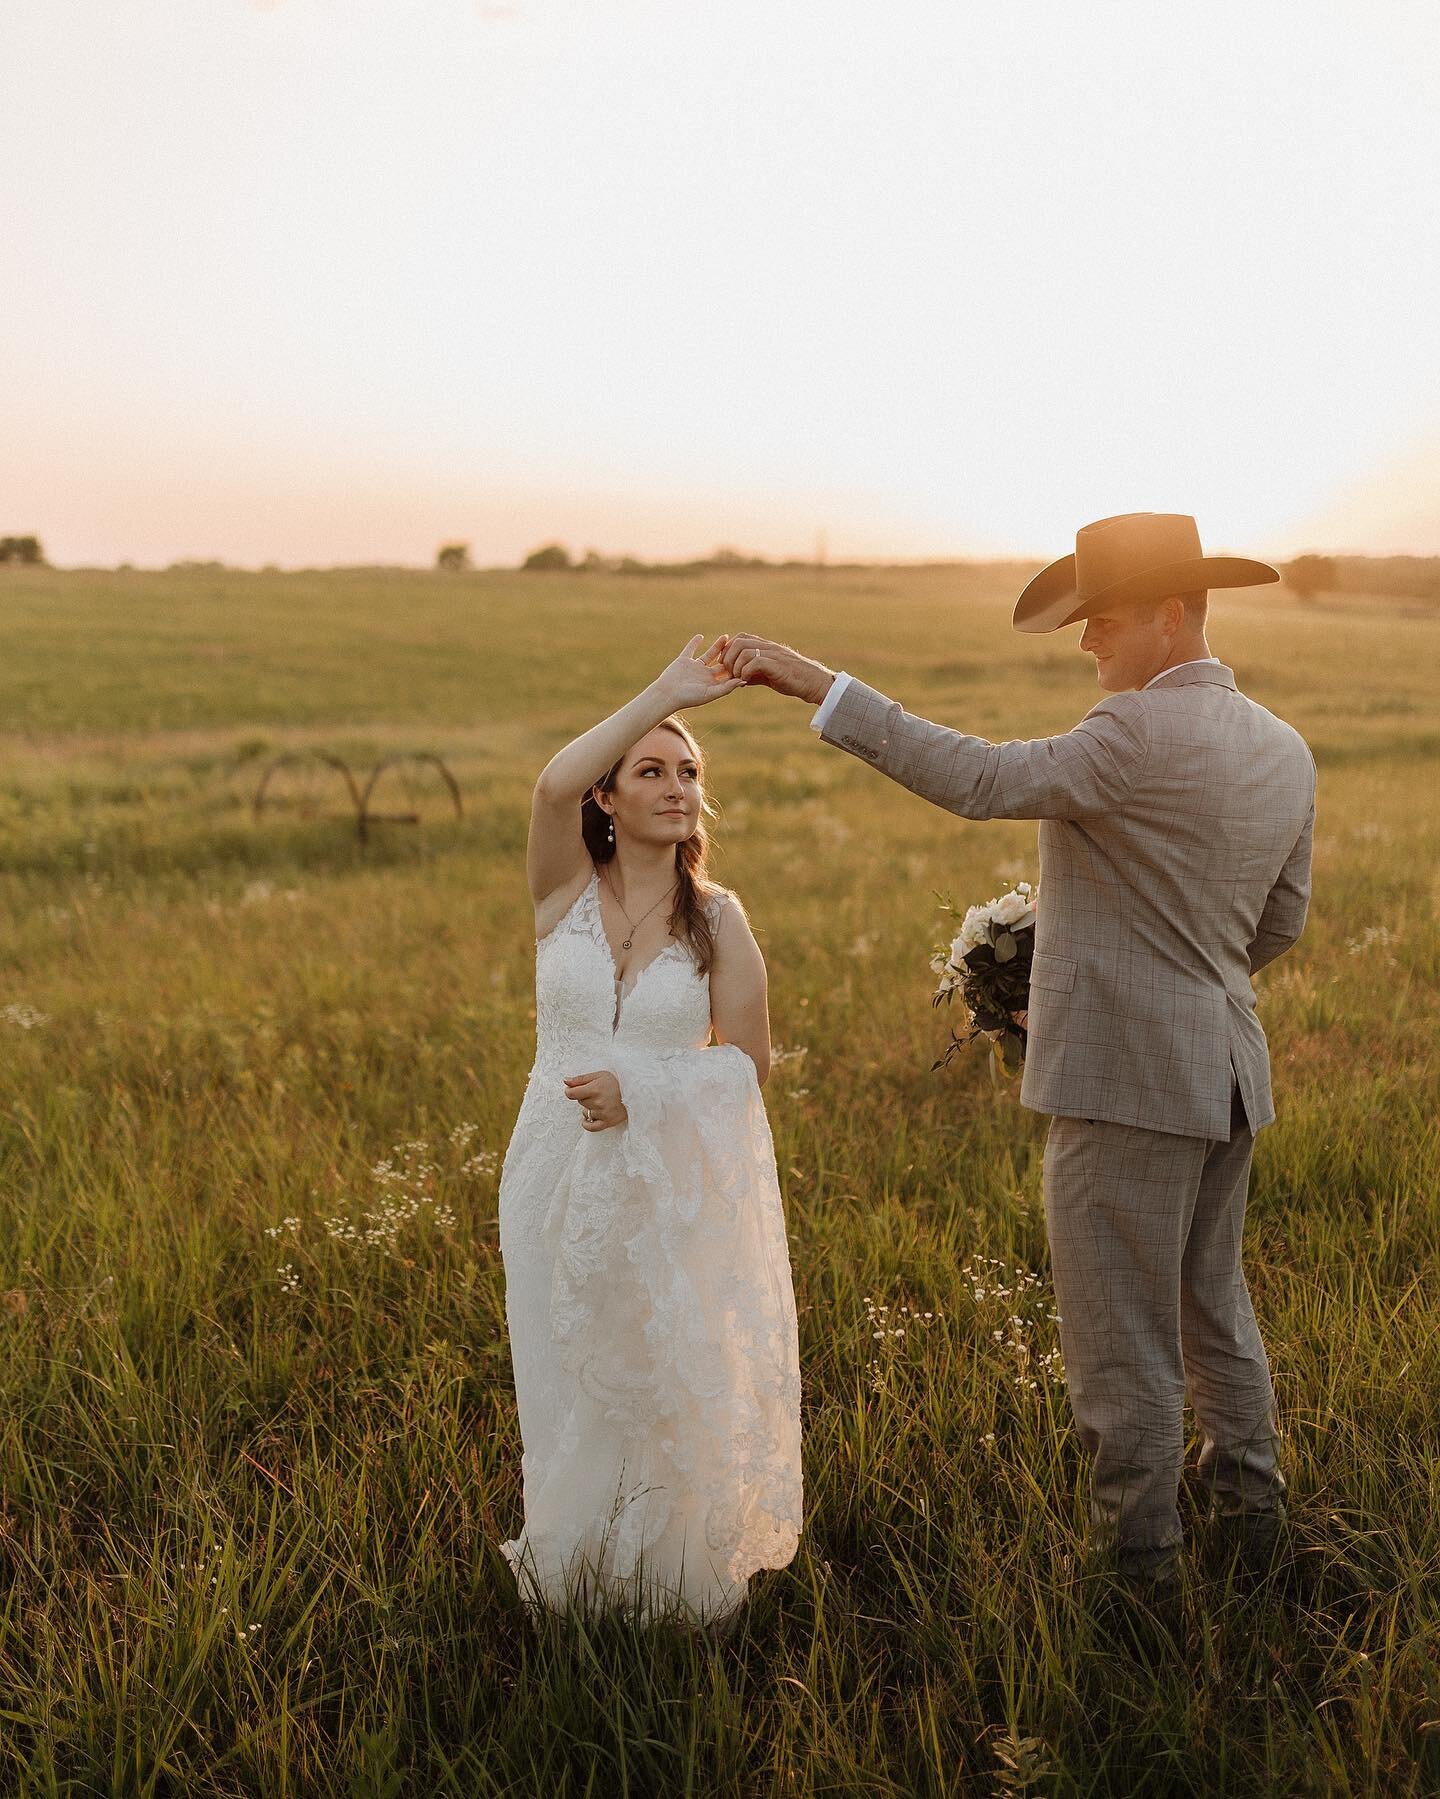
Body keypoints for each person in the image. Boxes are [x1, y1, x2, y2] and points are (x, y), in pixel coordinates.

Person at [713, 512, 1316, 1591]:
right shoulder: (1283, 745)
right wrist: (1166, 981)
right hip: (1228, 1073)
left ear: (1172, 618)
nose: (1090, 644)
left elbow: (979, 779)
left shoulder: (1131, 732)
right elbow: (1279, 921)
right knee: (1213, 1304)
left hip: (1127, 1085)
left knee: (1118, 1342)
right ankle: (1255, 1523)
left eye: (1108, 622)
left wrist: (818, 684)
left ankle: (1141, 1577)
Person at [497, 636, 803, 1627]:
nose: (678, 786)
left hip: (665, 1172)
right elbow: (548, 787)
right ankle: (575, 1564)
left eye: (690, 772)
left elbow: (751, 1061)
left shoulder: (720, 919)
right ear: (608, 797)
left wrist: (648, 1090)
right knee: (566, 1370)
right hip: (549, 1164)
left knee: (661, 1368)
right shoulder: (561, 897)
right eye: (652, 770)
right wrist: (670, 695)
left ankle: (668, 1581)